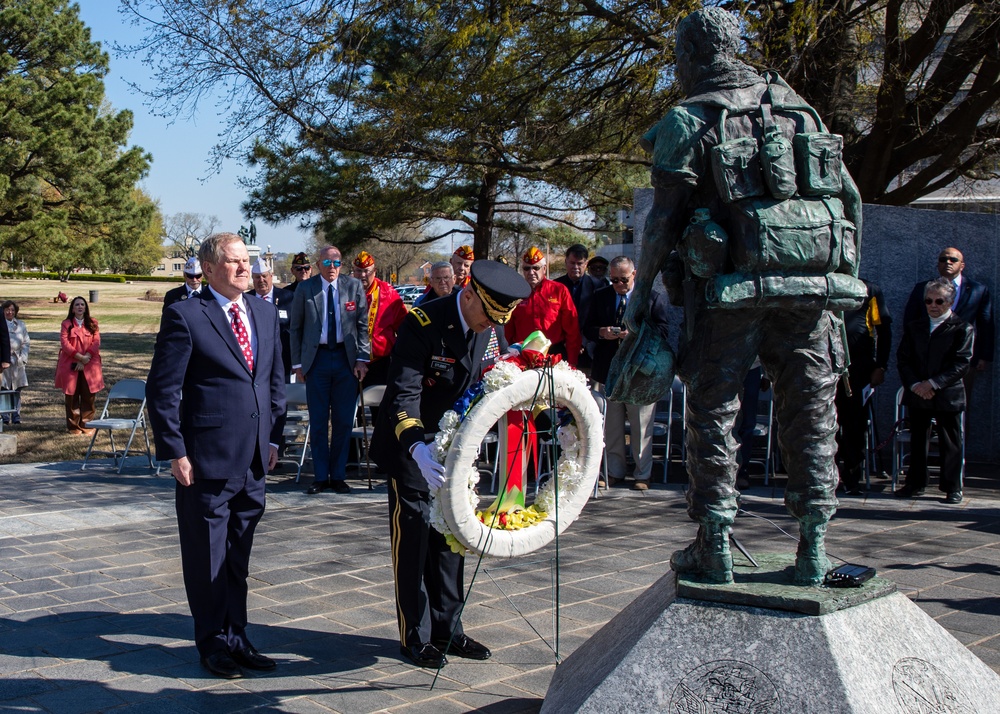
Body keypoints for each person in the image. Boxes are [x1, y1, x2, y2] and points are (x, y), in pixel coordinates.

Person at [621, 7, 865, 586]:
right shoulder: (795, 105)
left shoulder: (689, 118)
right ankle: (813, 545)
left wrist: (642, 292)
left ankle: (717, 544)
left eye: (679, 55)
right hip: (810, 293)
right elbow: (848, 199)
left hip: (726, 295)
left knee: (715, 414)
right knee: (812, 416)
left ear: (693, 55)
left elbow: (662, 222)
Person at [371, 260, 528, 669]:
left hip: (453, 448)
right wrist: (417, 450)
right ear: (469, 294)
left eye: (498, 321)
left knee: (452, 539)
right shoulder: (423, 322)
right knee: (416, 538)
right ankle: (415, 636)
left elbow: (486, 379)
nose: (489, 326)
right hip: (411, 446)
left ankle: (449, 629)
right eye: (486, 316)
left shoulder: (490, 325)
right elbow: (403, 394)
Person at [146, 232, 285, 679]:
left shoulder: (264, 313)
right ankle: (212, 643)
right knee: (206, 557)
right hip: (204, 460)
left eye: (248, 260)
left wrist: (275, 438)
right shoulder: (186, 315)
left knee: (238, 557)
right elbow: (163, 390)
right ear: (208, 269)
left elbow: (273, 381)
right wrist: (175, 450)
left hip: (254, 461)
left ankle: (238, 637)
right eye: (234, 261)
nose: (246, 268)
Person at [290, 246, 370, 495]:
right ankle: (320, 476)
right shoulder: (306, 288)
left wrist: (362, 359)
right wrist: (298, 364)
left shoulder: (353, 286)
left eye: (337, 262)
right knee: (318, 421)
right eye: (327, 262)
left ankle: (338, 475)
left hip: (346, 361)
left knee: (344, 421)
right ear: (319, 264)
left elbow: (362, 326)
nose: (333, 267)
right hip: (318, 360)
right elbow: (296, 328)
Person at [585, 256, 670, 490]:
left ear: (634, 274)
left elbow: (663, 331)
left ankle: (642, 474)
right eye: (613, 280)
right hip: (609, 370)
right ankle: (614, 471)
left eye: (623, 279)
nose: (618, 285)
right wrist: (602, 332)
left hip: (639, 373)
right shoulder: (600, 296)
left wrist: (635, 334)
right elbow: (588, 328)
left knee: (641, 426)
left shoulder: (651, 298)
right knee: (611, 426)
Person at [895, 278, 973, 504]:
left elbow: (961, 363)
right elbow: (904, 359)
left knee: (951, 441)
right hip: (919, 393)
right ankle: (915, 483)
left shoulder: (962, 328)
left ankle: (952, 487)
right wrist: (916, 385)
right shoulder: (915, 327)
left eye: (939, 301)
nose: (933, 305)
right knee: (919, 439)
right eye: (929, 301)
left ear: (949, 302)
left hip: (947, 394)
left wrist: (933, 383)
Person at [903, 247, 993, 401]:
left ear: (962, 265)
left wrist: (984, 356)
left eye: (953, 260)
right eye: (943, 259)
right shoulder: (922, 288)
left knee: (957, 406)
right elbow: (910, 321)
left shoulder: (978, 290)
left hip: (960, 358)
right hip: (925, 357)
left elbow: (986, 324)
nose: (948, 263)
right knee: (922, 401)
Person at [836, 279, 892, 495]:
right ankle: (827, 475)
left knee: (855, 425)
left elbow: (883, 329)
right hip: (825, 365)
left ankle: (852, 477)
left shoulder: (870, 289)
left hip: (859, 369)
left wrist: (881, 366)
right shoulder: (823, 281)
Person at [505, 246, 581, 367]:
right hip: (522, 355)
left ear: (544, 269)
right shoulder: (515, 293)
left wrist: (572, 362)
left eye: (536, 268)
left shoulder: (559, 290)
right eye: (527, 268)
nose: (531, 272)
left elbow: (572, 329)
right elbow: (507, 329)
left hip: (553, 353)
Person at [352, 251, 407, 387]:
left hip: (380, 362)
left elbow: (403, 327)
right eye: (358, 271)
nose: (362, 275)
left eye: (366, 271)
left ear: (375, 271)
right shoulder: (346, 290)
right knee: (352, 406)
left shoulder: (387, 292)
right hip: (351, 361)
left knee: (381, 406)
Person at [55, 296, 104, 435]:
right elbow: (65, 344)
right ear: (72, 308)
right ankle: (73, 426)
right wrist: (79, 357)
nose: (80, 307)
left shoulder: (93, 323)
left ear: (86, 307)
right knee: (72, 395)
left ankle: (87, 424)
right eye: (77, 305)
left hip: (90, 363)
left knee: (89, 395)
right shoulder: (66, 324)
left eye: (82, 304)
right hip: (71, 363)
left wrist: (85, 358)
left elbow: (96, 342)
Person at [246, 256, 294, 381]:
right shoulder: (245, 299)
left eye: (264, 276)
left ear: (271, 276)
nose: (261, 280)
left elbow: (296, 330)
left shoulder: (288, 298)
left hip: (283, 360)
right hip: (254, 360)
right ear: (252, 278)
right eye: (257, 277)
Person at [555, 244, 600, 370]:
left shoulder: (597, 286)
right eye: (572, 263)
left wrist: (583, 342)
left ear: (586, 264)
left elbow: (597, 318)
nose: (575, 267)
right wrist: (567, 342)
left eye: (579, 263)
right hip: (560, 348)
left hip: (588, 349)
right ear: (566, 262)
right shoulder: (555, 286)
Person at [1, 301, 27, 424]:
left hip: (18, 362)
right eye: (7, 309)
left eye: (12, 310)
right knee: (5, 389)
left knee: (17, 389)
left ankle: (16, 416)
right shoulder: (1, 324)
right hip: (4, 362)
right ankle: (5, 417)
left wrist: (23, 358)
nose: (9, 312)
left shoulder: (21, 325)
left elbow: (26, 343)